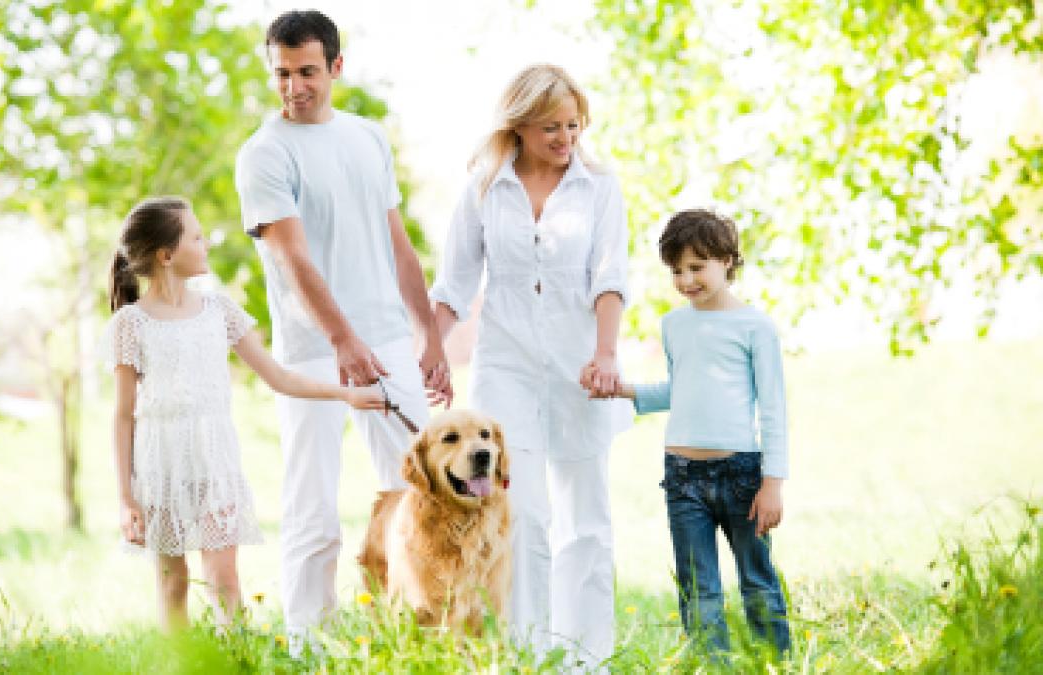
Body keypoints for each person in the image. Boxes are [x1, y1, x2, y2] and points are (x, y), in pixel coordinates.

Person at [233, 10, 450, 648]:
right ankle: (309, 645)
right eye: (281, 73)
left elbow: (397, 243)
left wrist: (428, 333)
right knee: (312, 507)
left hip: (386, 340)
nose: (294, 86)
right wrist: (342, 340)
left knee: (417, 493)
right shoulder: (264, 154)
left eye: (306, 72)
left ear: (335, 67)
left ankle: (417, 634)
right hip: (312, 352)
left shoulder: (367, 138)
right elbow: (292, 257)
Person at [106, 196, 386, 631]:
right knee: (172, 584)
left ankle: (234, 659)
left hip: (215, 465)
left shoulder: (220, 311)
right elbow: (123, 415)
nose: (205, 245)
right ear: (166, 255)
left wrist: (345, 395)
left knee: (224, 580)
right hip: (161, 470)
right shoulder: (131, 323)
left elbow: (280, 377)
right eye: (196, 238)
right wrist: (126, 497)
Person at [429, 64, 630, 667]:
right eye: (550, 128)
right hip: (506, 365)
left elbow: (611, 277)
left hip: (581, 368)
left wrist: (605, 353)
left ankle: (587, 658)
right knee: (524, 514)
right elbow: (455, 281)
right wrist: (432, 347)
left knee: (585, 515)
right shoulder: (485, 187)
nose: (565, 138)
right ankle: (529, 654)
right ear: (517, 127)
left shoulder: (601, 187)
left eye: (573, 125)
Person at [584, 208, 792, 655]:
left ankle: (775, 662)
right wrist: (624, 390)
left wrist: (772, 483)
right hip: (682, 477)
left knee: (757, 579)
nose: (685, 280)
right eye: (676, 270)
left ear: (727, 261)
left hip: (741, 475)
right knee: (699, 589)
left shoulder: (755, 326)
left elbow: (773, 408)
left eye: (696, 267)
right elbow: (681, 390)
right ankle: (711, 665)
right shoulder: (674, 325)